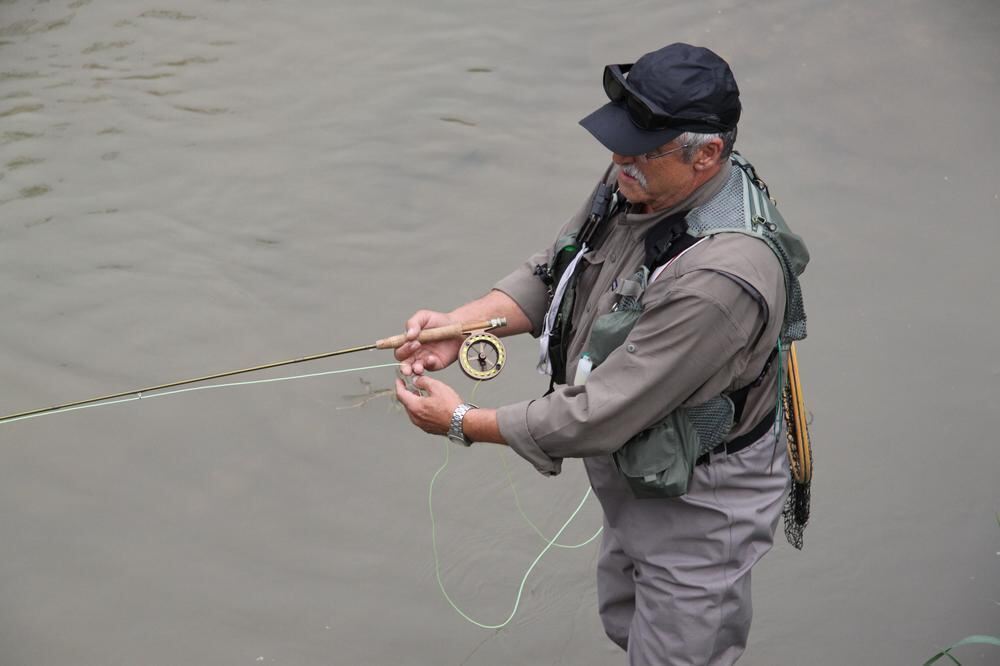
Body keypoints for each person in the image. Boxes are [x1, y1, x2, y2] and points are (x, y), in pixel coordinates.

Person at [393, 42, 809, 666]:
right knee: (624, 618)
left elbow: (596, 415)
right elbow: (560, 268)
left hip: (700, 499)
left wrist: (460, 423)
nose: (619, 160)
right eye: (618, 142)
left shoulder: (720, 282)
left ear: (708, 155)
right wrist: (463, 323)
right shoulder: (638, 180)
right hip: (637, 469)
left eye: (641, 149)